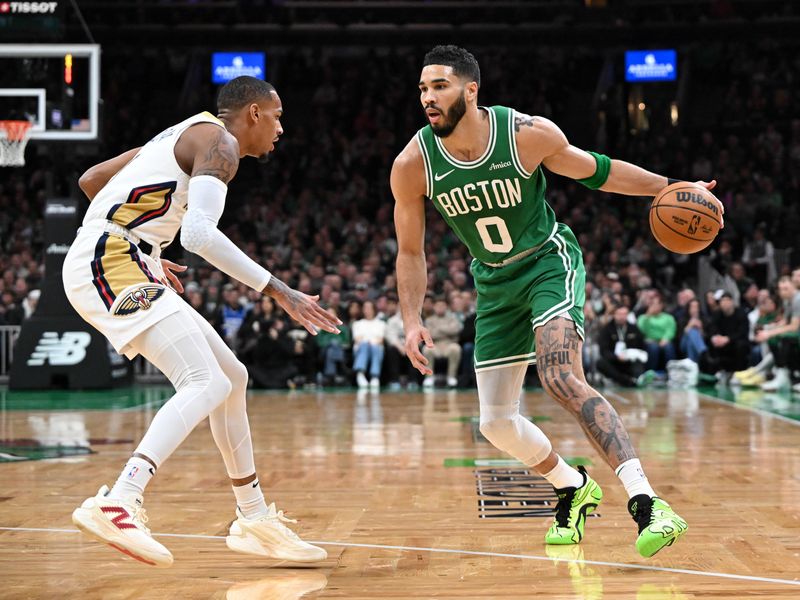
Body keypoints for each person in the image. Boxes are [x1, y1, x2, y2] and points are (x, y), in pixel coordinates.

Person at [390, 45, 712, 557]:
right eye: (423, 88)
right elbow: (410, 251)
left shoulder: (524, 135)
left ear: (471, 90)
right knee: (495, 424)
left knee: (560, 375)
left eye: (440, 86)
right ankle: (571, 485)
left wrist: (669, 186)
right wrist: (412, 320)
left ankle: (647, 501)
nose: (427, 97)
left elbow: (598, 171)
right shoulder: (412, 164)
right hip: (494, 285)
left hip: (547, 262)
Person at [63, 76, 341, 567]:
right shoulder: (220, 142)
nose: (280, 129)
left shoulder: (175, 135)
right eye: (277, 117)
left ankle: (254, 518)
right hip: (107, 261)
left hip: (120, 254)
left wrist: (144, 246)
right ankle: (120, 500)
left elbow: (91, 180)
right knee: (204, 380)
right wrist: (279, 290)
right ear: (253, 112)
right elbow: (197, 236)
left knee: (232, 378)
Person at [756, 276, 800, 392]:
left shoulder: (798, 299)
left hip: (797, 332)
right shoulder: (788, 301)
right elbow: (785, 322)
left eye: (786, 288)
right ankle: (782, 374)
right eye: (781, 289)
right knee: (774, 339)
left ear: (793, 286)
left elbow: (794, 327)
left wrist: (770, 333)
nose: (783, 292)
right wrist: (768, 330)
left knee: (784, 338)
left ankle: (785, 375)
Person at [596, 305, 647, 387]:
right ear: (614, 315)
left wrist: (631, 354)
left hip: (630, 361)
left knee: (640, 361)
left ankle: (639, 378)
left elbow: (641, 346)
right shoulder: (607, 329)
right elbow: (604, 350)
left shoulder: (633, 328)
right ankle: (625, 380)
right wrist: (616, 357)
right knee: (601, 363)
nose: (622, 317)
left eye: (624, 314)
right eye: (619, 314)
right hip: (614, 361)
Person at [422, 296, 463, 388]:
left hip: (449, 344)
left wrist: (438, 329)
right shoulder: (429, 320)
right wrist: (447, 331)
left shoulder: (453, 318)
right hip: (434, 345)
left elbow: (456, 330)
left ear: (446, 307)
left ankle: (451, 377)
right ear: (434, 307)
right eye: (438, 306)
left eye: (442, 306)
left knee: (456, 348)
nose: (440, 308)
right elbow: (430, 334)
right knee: (426, 349)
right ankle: (429, 377)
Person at [637, 293, 677, 373]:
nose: (654, 306)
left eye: (656, 304)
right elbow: (641, 330)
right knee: (653, 347)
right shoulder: (642, 318)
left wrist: (665, 338)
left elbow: (671, 330)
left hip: (664, 341)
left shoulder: (669, 317)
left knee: (668, 347)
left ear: (661, 305)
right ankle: (650, 373)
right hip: (649, 341)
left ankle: (671, 372)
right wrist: (648, 316)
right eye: (652, 304)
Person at [351, 299, 386, 389]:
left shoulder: (381, 323)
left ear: (374, 309)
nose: (367, 310)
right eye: (365, 308)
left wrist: (372, 342)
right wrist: (367, 342)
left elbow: (381, 339)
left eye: (369, 308)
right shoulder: (357, 324)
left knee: (374, 347)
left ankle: (374, 376)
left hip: (376, 347)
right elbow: (357, 339)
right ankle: (360, 374)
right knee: (364, 345)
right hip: (361, 348)